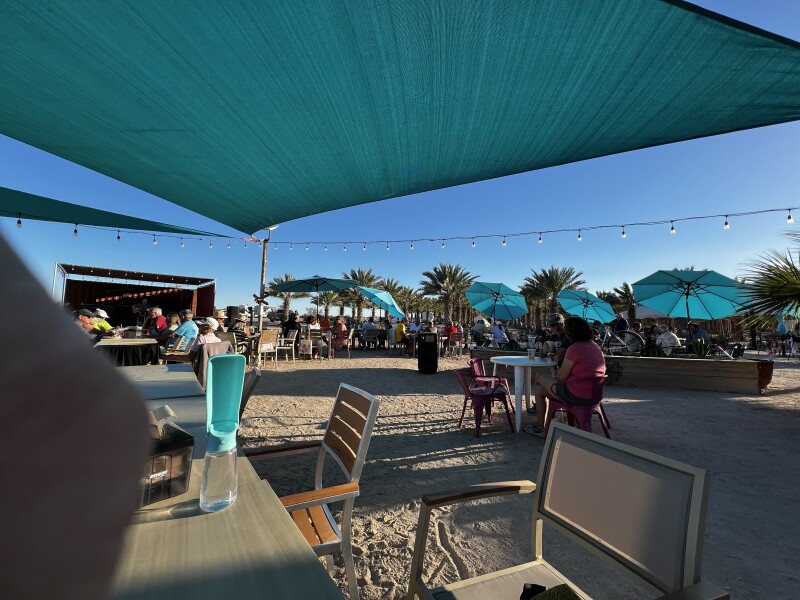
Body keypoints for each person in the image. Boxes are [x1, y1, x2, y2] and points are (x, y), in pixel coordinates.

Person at [527, 316, 606, 437]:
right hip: (595, 396)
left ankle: (539, 427)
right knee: (539, 389)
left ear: (570, 332)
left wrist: (559, 371)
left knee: (539, 376)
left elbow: (561, 377)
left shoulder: (574, 348)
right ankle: (539, 425)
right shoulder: (595, 346)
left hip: (576, 395)